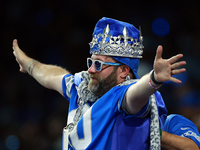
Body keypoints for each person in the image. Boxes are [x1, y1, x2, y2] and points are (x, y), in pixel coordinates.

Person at [12, 17, 186, 150]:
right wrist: (28, 64)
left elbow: (137, 93)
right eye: (91, 62)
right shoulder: (82, 86)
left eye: (99, 64)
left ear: (124, 71)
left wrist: (153, 79)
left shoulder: (122, 95)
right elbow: (53, 76)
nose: (91, 70)